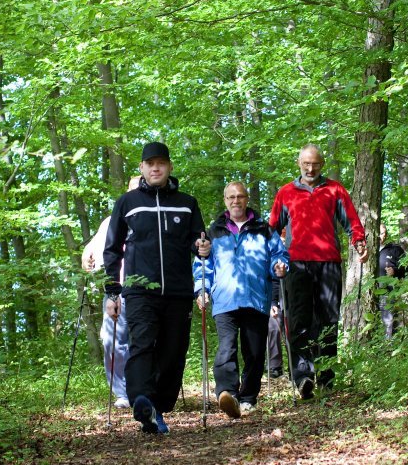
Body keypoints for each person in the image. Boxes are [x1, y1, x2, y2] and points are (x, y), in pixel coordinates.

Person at [103, 142, 210, 434]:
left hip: (178, 290)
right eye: (150, 163)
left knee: (174, 351)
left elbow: (197, 240)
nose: (155, 168)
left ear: (169, 167)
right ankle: (141, 400)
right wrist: (112, 291)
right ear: (141, 168)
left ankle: (157, 409)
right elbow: (112, 248)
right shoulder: (128, 202)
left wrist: (202, 246)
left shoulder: (187, 202)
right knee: (142, 344)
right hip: (139, 290)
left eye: (161, 163)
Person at [269, 144, 366, 399]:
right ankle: (302, 378)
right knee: (298, 320)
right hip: (296, 264)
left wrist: (359, 241)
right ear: (298, 163)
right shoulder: (285, 193)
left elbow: (351, 221)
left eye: (315, 164)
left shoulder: (335, 190)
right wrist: (272, 259)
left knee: (328, 320)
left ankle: (325, 376)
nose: (310, 169)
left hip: (328, 263)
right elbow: (271, 230)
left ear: (322, 164)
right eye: (306, 164)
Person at [194, 181, 288, 418]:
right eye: (231, 197)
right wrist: (202, 289)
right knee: (226, 348)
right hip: (224, 299)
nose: (236, 201)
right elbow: (203, 265)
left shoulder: (264, 229)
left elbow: (279, 254)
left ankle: (248, 397)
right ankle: (227, 393)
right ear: (225, 200)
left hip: (256, 298)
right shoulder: (213, 231)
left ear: (247, 199)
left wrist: (280, 265)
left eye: (240, 196)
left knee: (254, 352)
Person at [80, 176, 141, 409]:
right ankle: (122, 391)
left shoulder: (156, 217)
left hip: (148, 290)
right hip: (117, 289)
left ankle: (148, 387)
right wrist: (85, 255)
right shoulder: (111, 220)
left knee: (148, 340)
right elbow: (93, 250)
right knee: (113, 340)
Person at [376, 223, 408, 339]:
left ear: (386, 234)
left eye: (382, 233)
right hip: (370, 294)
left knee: (389, 325)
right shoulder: (367, 249)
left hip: (388, 294)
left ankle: (389, 351)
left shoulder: (394, 249)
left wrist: (395, 271)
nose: (380, 236)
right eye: (378, 233)